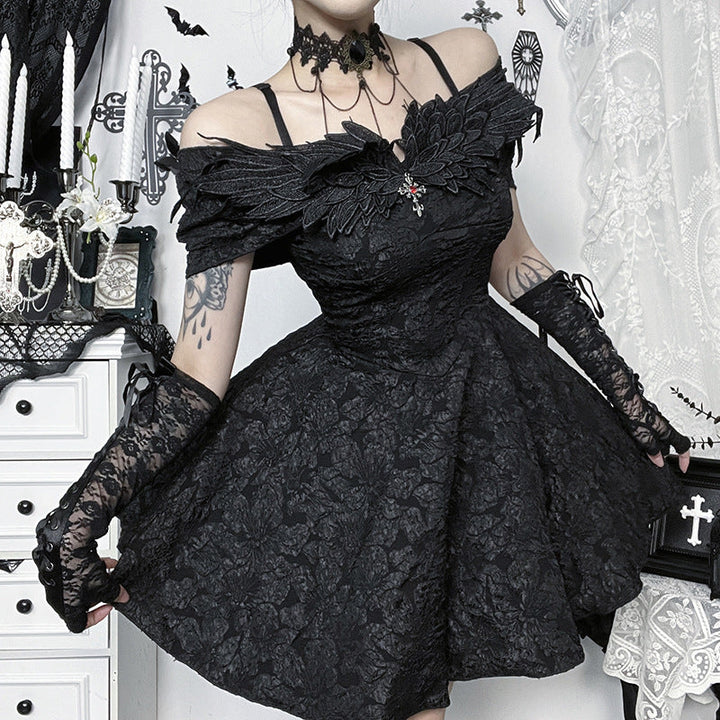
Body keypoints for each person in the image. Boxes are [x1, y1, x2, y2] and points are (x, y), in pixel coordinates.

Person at [32, 1, 692, 719]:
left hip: (490, 429)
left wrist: (628, 397)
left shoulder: (466, 59)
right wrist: (78, 514)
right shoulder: (233, 130)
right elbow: (197, 368)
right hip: (364, 461)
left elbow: (517, 261)